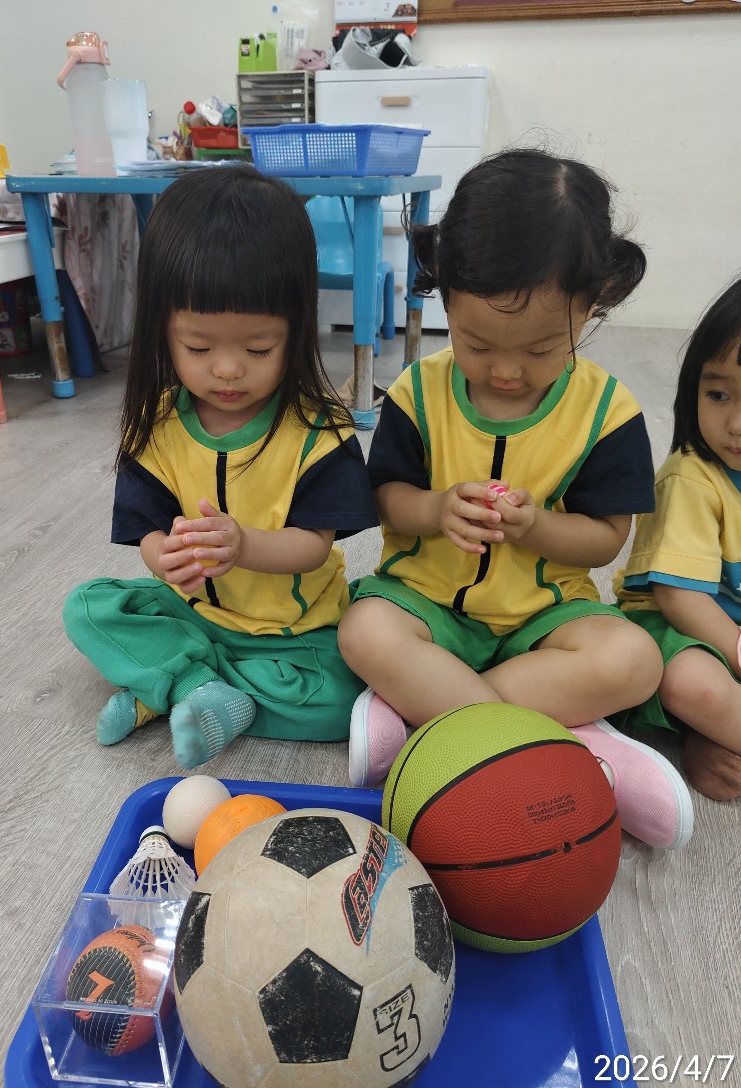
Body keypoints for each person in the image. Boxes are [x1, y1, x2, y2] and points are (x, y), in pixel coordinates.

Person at [337, 147, 694, 850]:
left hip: (545, 619)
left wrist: (537, 528)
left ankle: (430, 720)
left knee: (636, 660)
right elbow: (387, 499)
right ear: (445, 299)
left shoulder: (606, 413)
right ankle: (565, 747)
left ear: (592, 306)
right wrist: (436, 509)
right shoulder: (417, 392)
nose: (505, 370)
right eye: (476, 345)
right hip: (428, 604)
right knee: (363, 630)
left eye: (539, 350)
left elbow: (605, 538)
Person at [63, 165, 378, 769]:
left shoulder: (318, 432)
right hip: (193, 613)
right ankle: (196, 687)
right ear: (162, 332)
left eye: (258, 348)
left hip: (290, 632)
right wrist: (165, 558)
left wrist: (244, 545)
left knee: (339, 700)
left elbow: (314, 545)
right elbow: (148, 529)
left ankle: (171, 684)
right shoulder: (156, 425)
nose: (228, 369)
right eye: (199, 347)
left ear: (297, 329)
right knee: (90, 606)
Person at [614, 277, 741, 802]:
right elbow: (678, 596)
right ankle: (704, 726)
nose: (735, 423)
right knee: (694, 684)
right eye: (718, 395)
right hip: (678, 628)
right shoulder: (691, 477)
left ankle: (713, 737)